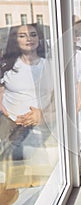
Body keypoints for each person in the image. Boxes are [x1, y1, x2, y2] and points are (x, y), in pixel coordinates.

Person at [0, 24, 53, 161]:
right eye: (22, 36)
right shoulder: (6, 66)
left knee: (38, 161)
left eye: (33, 35)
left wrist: (43, 115)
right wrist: (6, 112)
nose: (29, 39)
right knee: (12, 161)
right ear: (15, 40)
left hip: (42, 125)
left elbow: (56, 96)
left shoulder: (49, 65)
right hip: (12, 125)